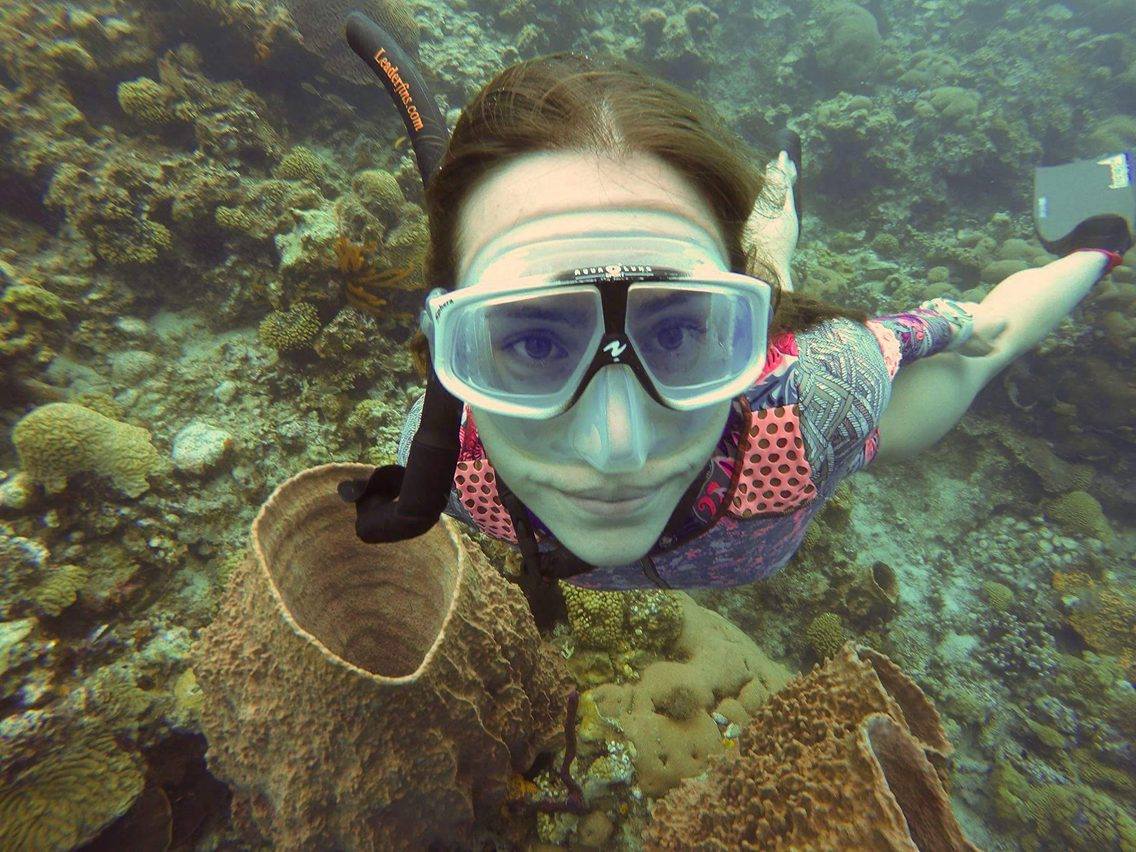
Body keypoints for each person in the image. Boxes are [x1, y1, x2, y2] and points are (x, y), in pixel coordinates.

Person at [351, 49, 1129, 619]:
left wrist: (974, 316)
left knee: (971, 349)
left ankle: (1106, 228)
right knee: (758, 276)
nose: (616, 451)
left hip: (781, 386)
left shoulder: (819, 400)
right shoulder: (439, 458)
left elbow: (980, 332)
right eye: (533, 342)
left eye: (682, 328)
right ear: (445, 348)